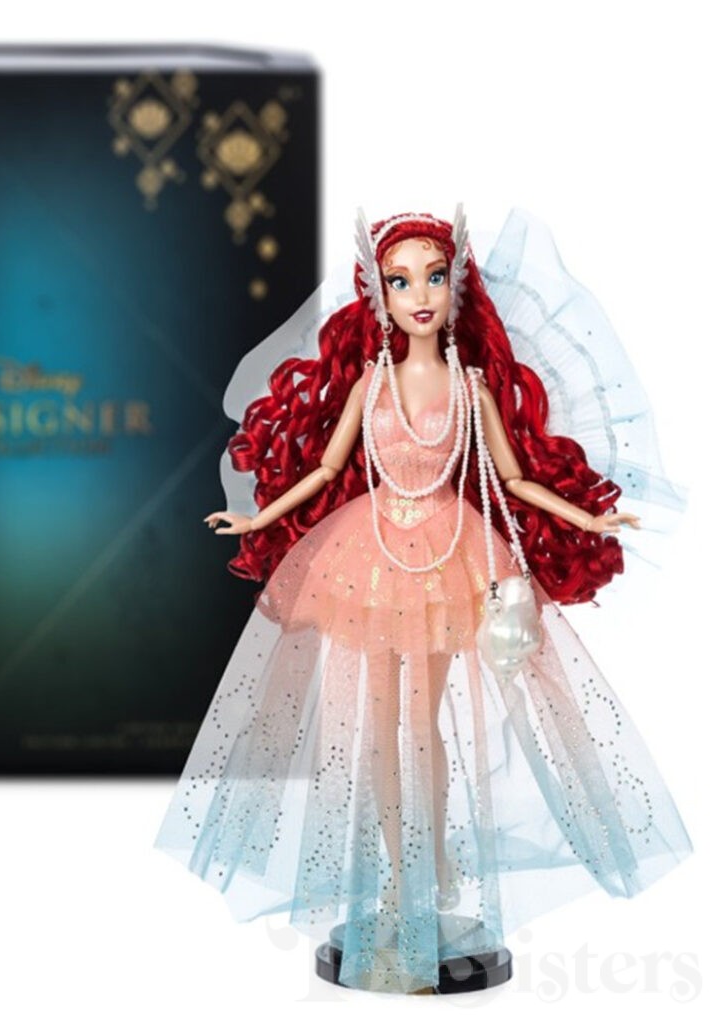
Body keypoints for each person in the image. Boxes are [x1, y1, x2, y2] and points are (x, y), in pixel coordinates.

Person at [153, 208, 693, 994]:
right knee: (377, 729)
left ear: (456, 286)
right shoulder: (371, 383)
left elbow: (514, 478)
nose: (420, 296)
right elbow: (326, 467)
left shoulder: (471, 387)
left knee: (425, 724)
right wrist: (259, 519)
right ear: (378, 294)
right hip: (367, 561)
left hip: (449, 560)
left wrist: (587, 517)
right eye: (402, 281)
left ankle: (429, 864)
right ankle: (397, 873)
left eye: (434, 278)